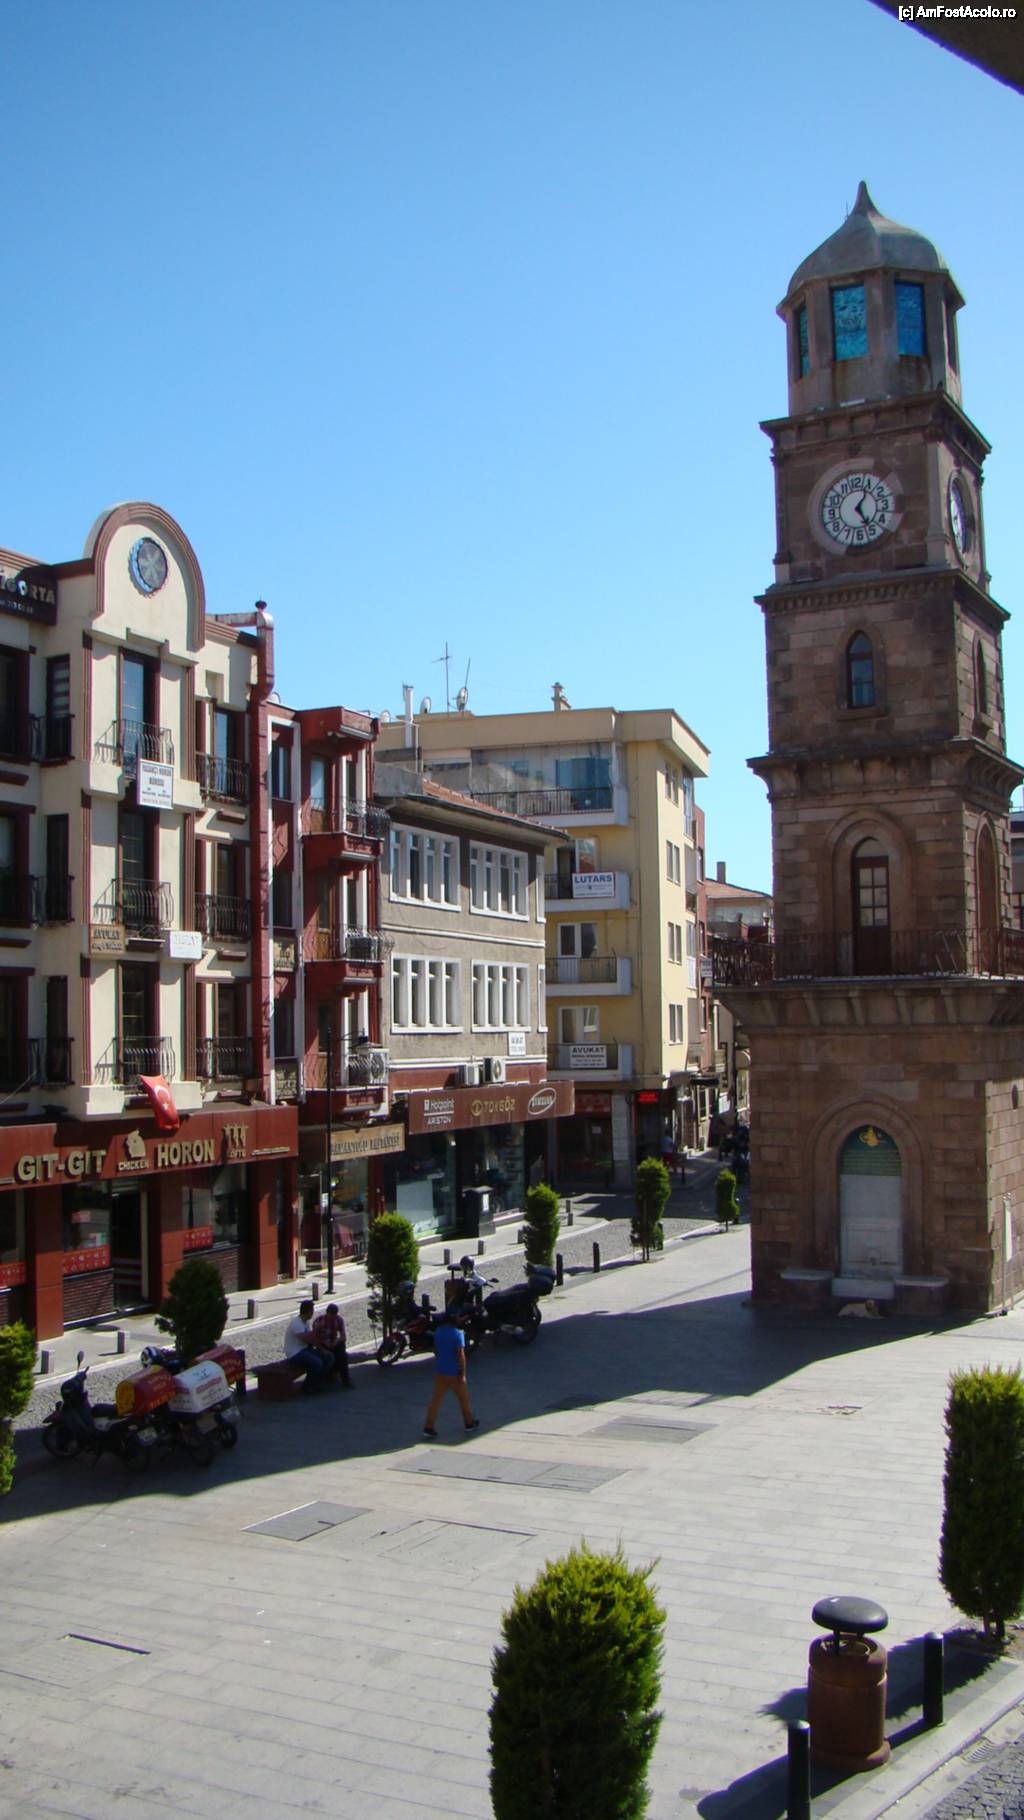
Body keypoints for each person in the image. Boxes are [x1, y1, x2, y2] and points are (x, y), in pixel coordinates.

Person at [423, 1308, 479, 1439]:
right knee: (464, 1399)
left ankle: (428, 1427)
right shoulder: (457, 1334)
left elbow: (436, 1350)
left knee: (436, 1401)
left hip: (440, 1372)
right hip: (454, 1373)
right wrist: (462, 1374)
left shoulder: (438, 1332)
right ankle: (469, 1423)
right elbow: (461, 1355)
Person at [284, 1298, 330, 1394]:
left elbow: (312, 1340)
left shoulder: (306, 1322)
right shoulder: (296, 1323)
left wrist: (322, 1349)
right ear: (308, 1311)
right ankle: (307, 1386)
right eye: (312, 1311)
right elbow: (307, 1339)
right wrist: (316, 1329)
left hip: (304, 1349)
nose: (313, 1313)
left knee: (328, 1357)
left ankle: (318, 1382)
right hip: (295, 1353)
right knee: (317, 1363)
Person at [313, 1301, 351, 1387]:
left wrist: (336, 1341)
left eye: (334, 1315)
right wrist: (323, 1343)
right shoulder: (319, 1321)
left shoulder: (339, 1320)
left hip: (333, 1342)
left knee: (342, 1355)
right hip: (322, 1344)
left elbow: (343, 1336)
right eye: (331, 1315)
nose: (332, 1317)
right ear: (327, 1313)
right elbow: (314, 1337)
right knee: (327, 1356)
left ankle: (346, 1380)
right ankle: (327, 1376)